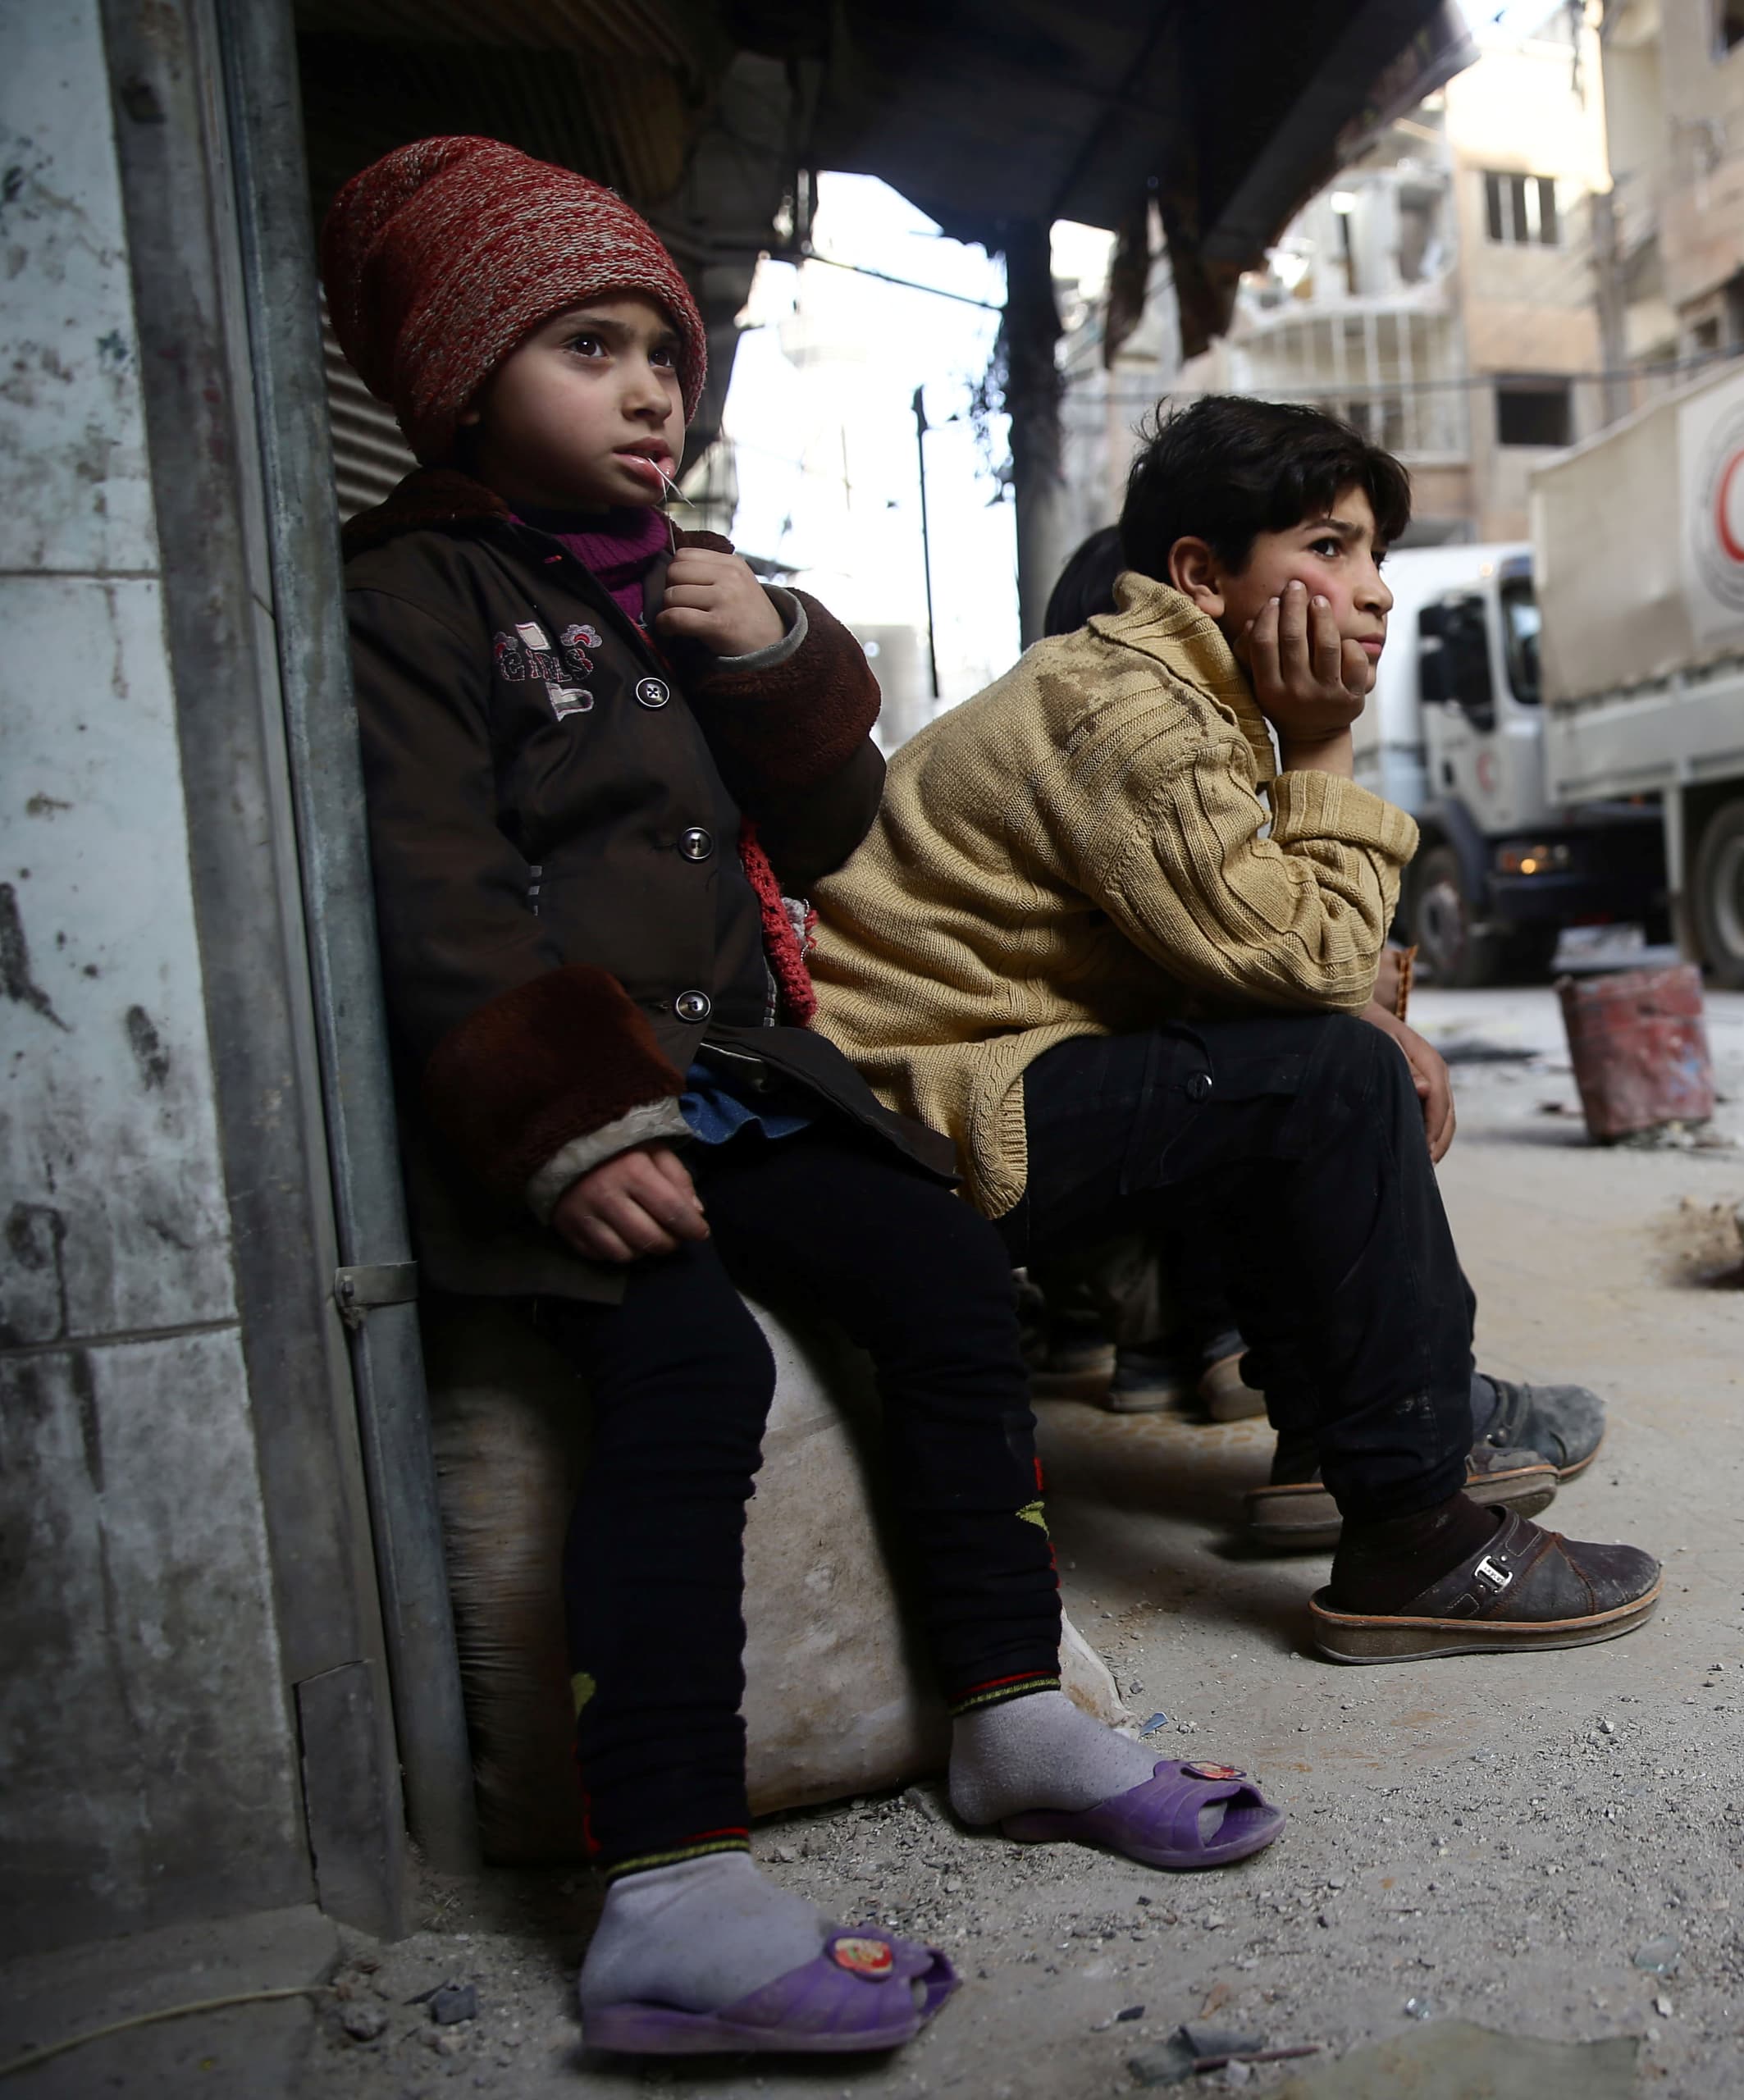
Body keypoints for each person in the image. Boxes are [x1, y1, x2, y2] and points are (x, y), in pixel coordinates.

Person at [325, 139, 1277, 2059]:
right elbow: (431, 884)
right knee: (688, 1368)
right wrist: (564, 1127)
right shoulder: (415, 596)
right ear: (461, 378)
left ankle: (1011, 1709)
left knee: (946, 1272)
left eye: (661, 354)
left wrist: (777, 657)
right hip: (578, 1101)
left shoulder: (693, 591)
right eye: (588, 348)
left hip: (747, 1076)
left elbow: (837, 828)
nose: (648, 391)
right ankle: (667, 1881)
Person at [808, 398, 1661, 1664]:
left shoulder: (1171, 693)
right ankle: (1416, 1533)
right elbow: (1314, 964)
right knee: (1330, 1081)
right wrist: (1325, 745)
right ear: (1203, 577)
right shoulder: (1133, 720)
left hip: (975, 1086)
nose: (1373, 590)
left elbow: (1254, 965)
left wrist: (1354, 1011)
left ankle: (1347, 1435)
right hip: (926, 1115)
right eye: (1328, 548)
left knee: (1307, 1072)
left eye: (1376, 554)